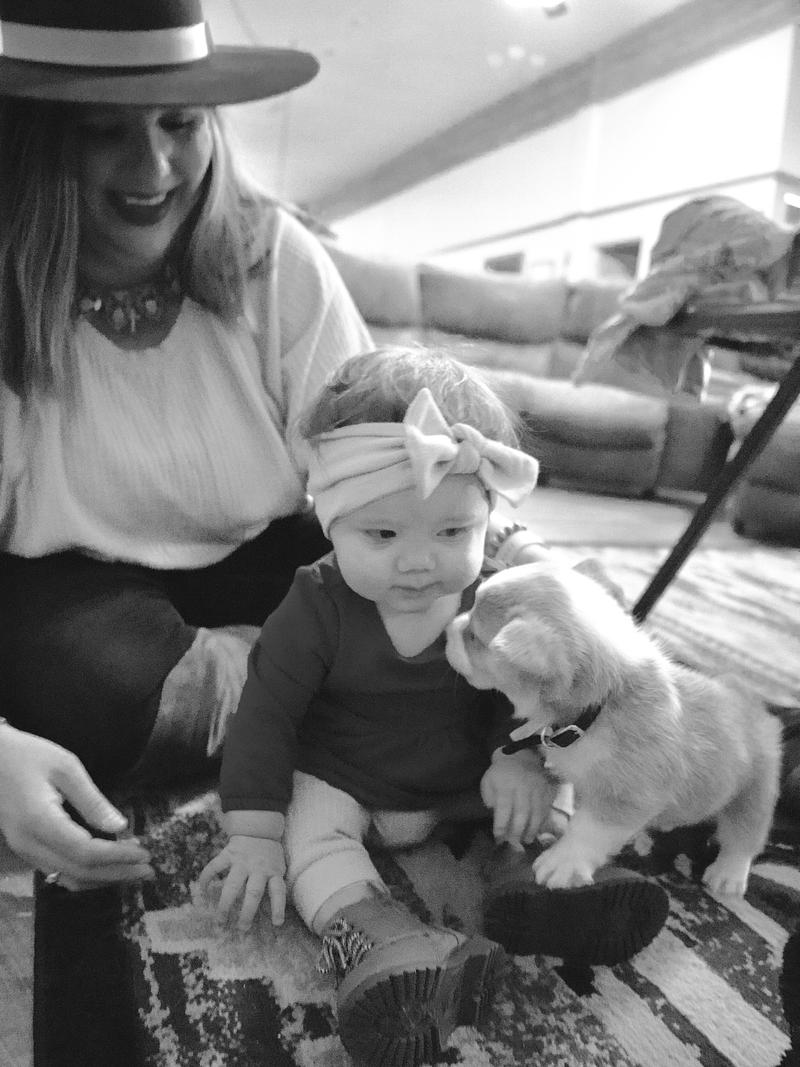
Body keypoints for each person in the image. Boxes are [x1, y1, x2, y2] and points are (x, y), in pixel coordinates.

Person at [0, 2, 371, 1062]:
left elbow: (371, 456)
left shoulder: (274, 253)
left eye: (179, 122)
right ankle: (342, 714)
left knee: (444, 593)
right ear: (29, 142)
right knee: (80, 690)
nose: (154, 165)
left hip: (272, 551)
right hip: (69, 586)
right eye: (103, 129)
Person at [198, 348, 669, 1067]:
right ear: (330, 521)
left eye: (453, 532)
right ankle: (370, 935)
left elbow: (546, 693)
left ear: (487, 517)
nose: (419, 561)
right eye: (383, 535)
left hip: (472, 775)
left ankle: (547, 884)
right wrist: (254, 833)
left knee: (557, 781)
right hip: (348, 777)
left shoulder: (501, 597)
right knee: (308, 835)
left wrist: (522, 759)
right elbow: (265, 718)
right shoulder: (313, 607)